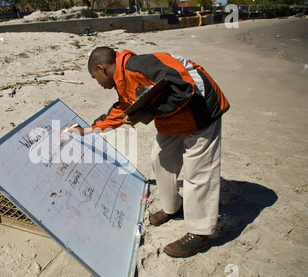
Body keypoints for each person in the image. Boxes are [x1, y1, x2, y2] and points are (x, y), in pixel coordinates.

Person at [69, 47, 230, 258]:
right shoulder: (122, 80)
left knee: (197, 173)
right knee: (160, 158)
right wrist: (86, 131)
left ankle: (199, 234)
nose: (97, 83)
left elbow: (185, 87)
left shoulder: (141, 65)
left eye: (94, 77)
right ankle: (173, 207)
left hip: (201, 110)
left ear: (102, 68)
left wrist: (151, 112)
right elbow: (121, 112)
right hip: (174, 118)